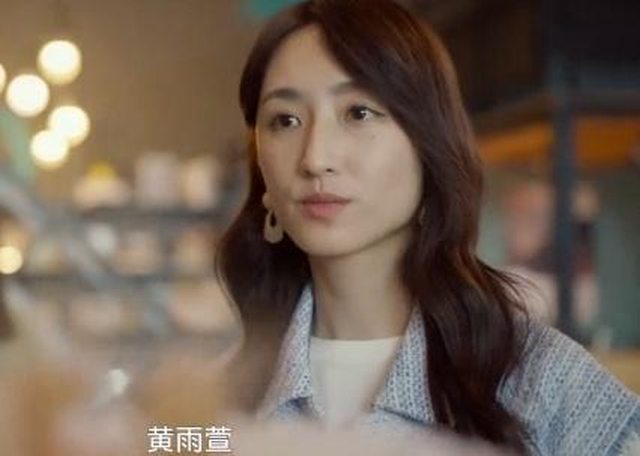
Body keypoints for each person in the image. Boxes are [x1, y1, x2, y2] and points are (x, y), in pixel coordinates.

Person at [214, 0, 640, 454]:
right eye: (285, 120)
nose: (315, 158)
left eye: (358, 112)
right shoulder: (213, 405)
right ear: (263, 178)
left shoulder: (548, 385)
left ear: (428, 146)